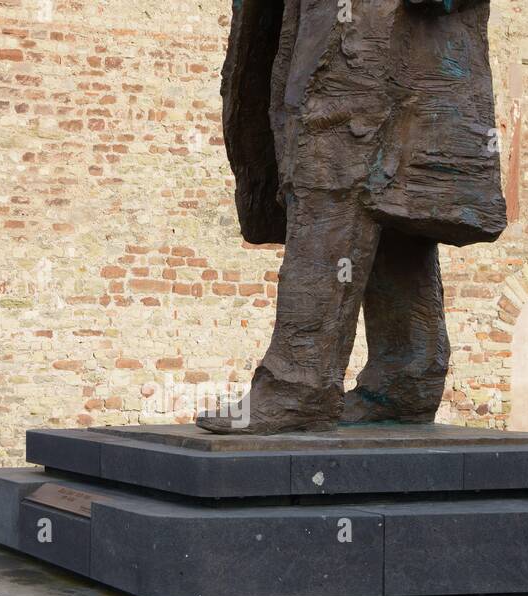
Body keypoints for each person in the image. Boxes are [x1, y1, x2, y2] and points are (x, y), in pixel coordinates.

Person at [200, 0, 506, 434]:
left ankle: (298, 383)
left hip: (375, 49)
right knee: (391, 202)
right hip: (327, 33)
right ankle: (405, 377)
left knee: (331, 182)